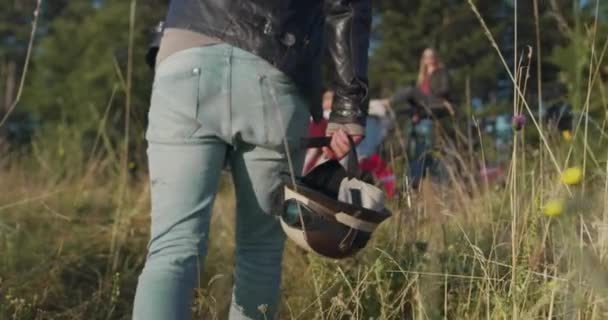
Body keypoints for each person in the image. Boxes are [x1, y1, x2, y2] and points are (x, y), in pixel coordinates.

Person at [133, 1, 371, 320]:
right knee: (260, 252)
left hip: (186, 54)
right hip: (276, 64)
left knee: (172, 249)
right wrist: (347, 107)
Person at [382, 48, 454, 189]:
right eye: (426, 56)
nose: (429, 58)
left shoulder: (441, 72)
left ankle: (389, 102)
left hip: (435, 104)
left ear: (436, 57)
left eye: (431, 55)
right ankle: (416, 180)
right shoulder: (423, 77)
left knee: (410, 91)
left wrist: (426, 97)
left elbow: (444, 90)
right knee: (419, 150)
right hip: (423, 113)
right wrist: (418, 113)